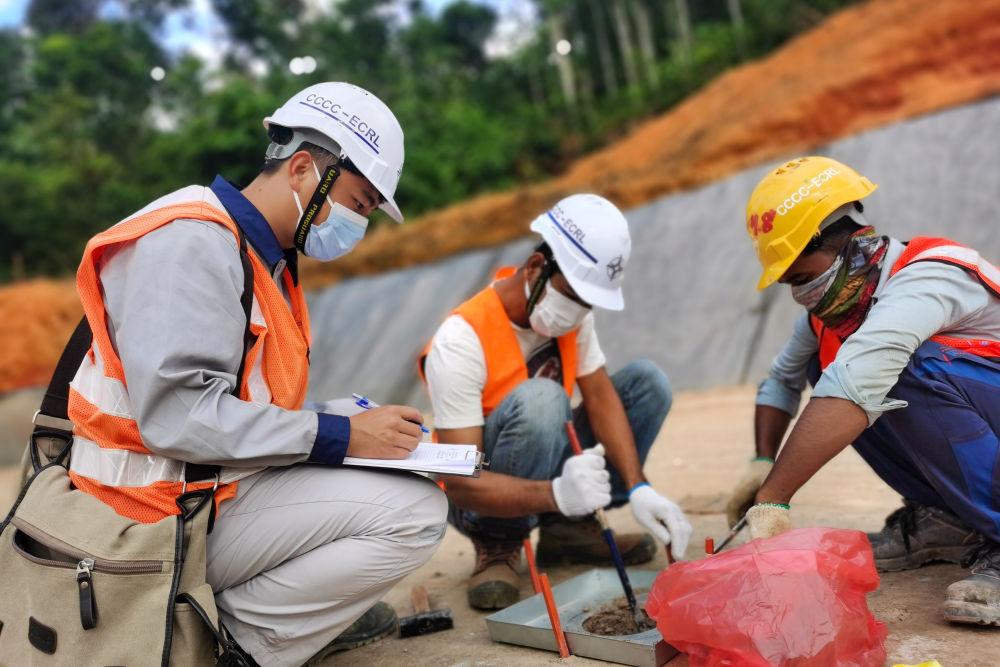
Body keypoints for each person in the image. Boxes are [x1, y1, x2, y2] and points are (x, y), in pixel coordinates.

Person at [66, 82, 448, 666]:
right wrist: (340, 436)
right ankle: (232, 644)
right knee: (414, 513)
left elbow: (239, 400)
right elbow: (179, 416)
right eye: (360, 202)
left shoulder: (257, 255)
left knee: (371, 453)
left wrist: (345, 421)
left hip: (192, 490)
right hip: (142, 516)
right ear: (302, 168)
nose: (359, 222)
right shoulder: (191, 243)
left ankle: (268, 615)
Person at [728, 155, 1000, 627]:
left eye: (802, 277)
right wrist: (761, 463)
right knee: (824, 362)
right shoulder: (835, 313)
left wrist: (773, 497)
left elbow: (859, 380)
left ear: (850, 244)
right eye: (790, 284)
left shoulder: (928, 276)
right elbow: (781, 380)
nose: (800, 294)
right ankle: (948, 518)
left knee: (894, 367)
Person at [419, 194, 691, 610]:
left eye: (588, 302)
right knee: (543, 398)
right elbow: (459, 480)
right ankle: (499, 542)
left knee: (646, 383)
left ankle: (569, 528)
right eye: (572, 295)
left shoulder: (573, 318)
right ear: (535, 267)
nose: (578, 312)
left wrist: (639, 487)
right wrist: (557, 493)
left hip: (544, 471)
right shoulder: (461, 339)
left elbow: (601, 398)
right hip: (476, 494)